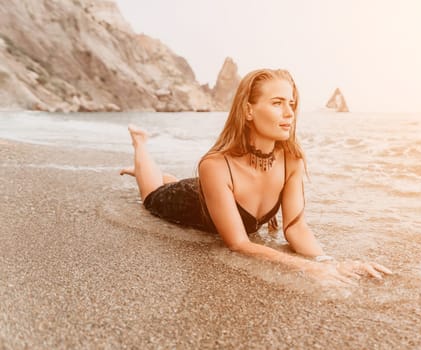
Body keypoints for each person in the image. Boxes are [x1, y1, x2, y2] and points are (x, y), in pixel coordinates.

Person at [121, 68, 391, 285]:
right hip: (184, 201)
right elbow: (238, 243)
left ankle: (165, 175)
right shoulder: (214, 165)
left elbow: (296, 228)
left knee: (187, 183)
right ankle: (141, 145)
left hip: (213, 191)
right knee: (150, 193)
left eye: (292, 104)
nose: (289, 113)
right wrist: (306, 268)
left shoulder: (291, 160)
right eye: (277, 103)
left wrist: (328, 262)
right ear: (248, 111)